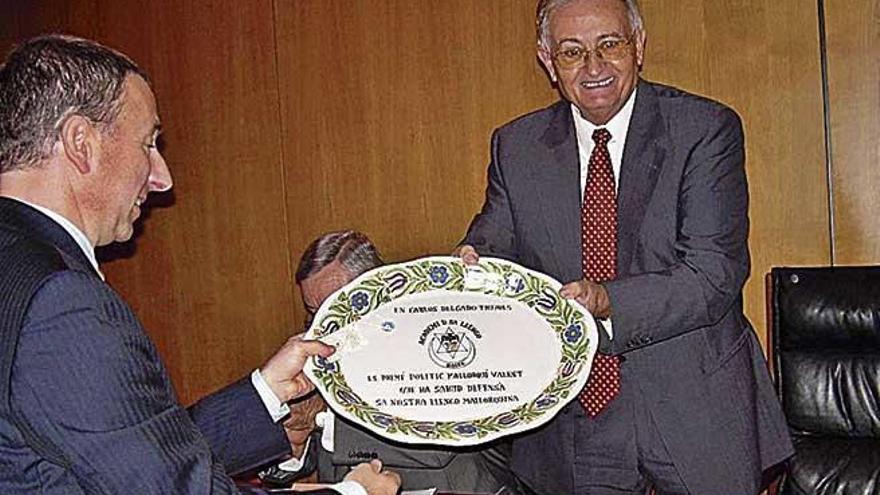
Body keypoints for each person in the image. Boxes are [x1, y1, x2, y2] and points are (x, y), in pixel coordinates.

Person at [0, 35, 400, 495]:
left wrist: (264, 392)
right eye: (148, 144)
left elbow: (127, 451)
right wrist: (350, 494)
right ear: (80, 143)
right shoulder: (63, 302)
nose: (162, 178)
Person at [456, 0, 794, 493]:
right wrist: (471, 263)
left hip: (691, 403)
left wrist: (608, 301)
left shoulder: (703, 129)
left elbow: (713, 275)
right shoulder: (516, 144)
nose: (593, 67)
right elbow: (494, 241)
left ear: (639, 47)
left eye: (609, 45)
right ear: (548, 61)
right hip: (569, 414)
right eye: (572, 52)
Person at [259, 230, 513, 493]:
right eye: (314, 313)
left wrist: (323, 420)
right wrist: (294, 448)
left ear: (377, 291)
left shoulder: (433, 340)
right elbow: (295, 467)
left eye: (337, 307)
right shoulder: (310, 352)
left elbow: (439, 448)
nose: (325, 326)